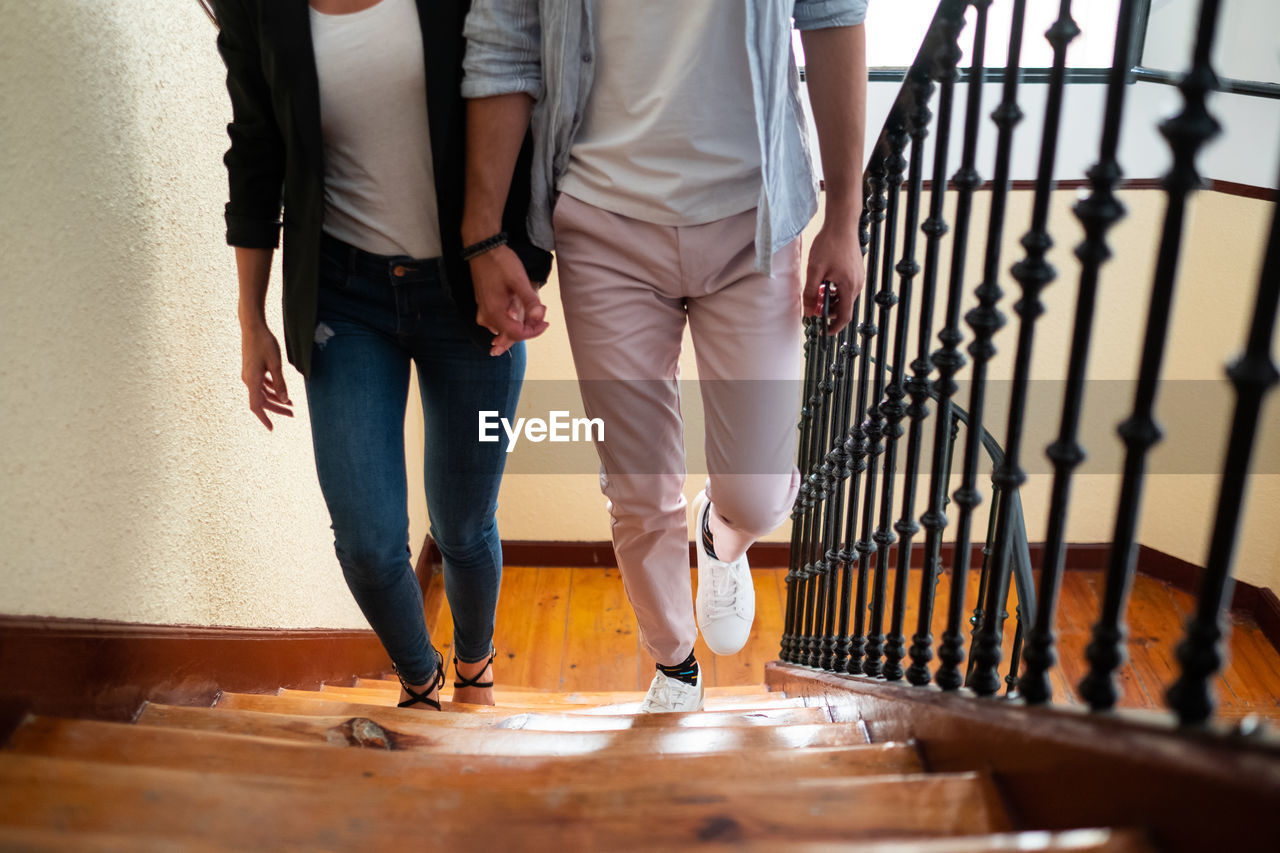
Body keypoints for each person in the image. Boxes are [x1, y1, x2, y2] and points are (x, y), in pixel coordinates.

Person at [459, 0, 867, 711]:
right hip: (601, 217)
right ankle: (675, 665)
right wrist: (483, 235)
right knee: (639, 485)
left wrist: (844, 218)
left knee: (760, 493)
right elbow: (502, 44)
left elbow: (832, 15)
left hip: (755, 216)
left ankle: (720, 532)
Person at [212, 0, 550, 710]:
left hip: (468, 289)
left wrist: (523, 262)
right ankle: (421, 678)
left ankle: (476, 665)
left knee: (462, 523)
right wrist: (252, 321)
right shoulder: (256, 10)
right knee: (366, 542)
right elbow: (256, 155)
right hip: (345, 298)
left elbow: (526, 91)